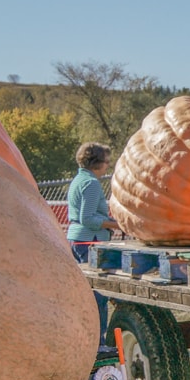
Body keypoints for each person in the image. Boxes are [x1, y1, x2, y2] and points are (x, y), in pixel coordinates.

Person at [67, 142, 120, 353]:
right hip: (89, 241)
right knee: (98, 295)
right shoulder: (91, 183)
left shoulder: (78, 180)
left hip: (78, 240)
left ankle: (85, 339)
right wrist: (114, 224)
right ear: (97, 163)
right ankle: (98, 343)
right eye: (107, 162)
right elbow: (87, 218)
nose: (108, 166)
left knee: (83, 294)